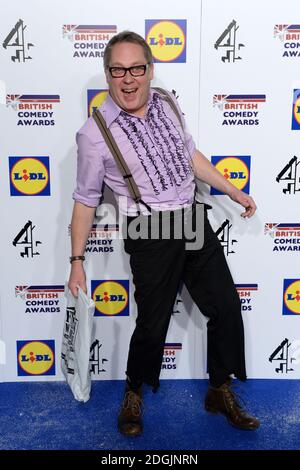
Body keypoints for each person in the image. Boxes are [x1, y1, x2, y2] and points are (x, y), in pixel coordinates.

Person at [68, 31, 260, 437]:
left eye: (136, 68)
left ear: (149, 70)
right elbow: (86, 200)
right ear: (108, 75)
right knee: (153, 325)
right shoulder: (93, 133)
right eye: (118, 70)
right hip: (149, 230)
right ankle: (134, 393)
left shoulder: (168, 102)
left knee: (225, 306)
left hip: (192, 218)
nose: (128, 79)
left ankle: (219, 389)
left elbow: (190, 156)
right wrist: (76, 261)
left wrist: (232, 189)